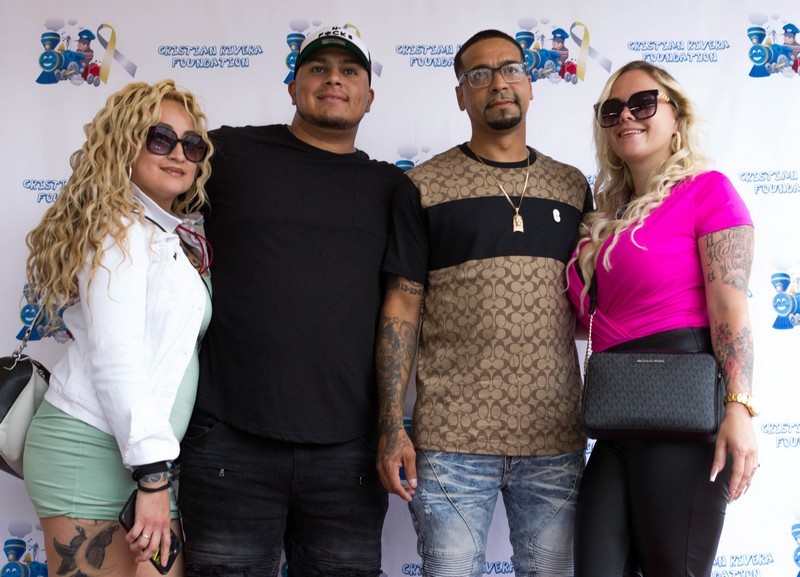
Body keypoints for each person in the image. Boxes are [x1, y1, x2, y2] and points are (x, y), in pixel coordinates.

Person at [176, 24, 417, 577]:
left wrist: (391, 426)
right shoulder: (228, 153)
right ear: (292, 86)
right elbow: (146, 194)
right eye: (318, 68)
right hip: (228, 438)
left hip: (349, 454)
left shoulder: (392, 189)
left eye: (349, 71)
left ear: (369, 97)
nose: (333, 79)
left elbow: (402, 308)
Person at [376, 29, 592, 577]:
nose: (498, 83)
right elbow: (401, 308)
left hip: (554, 436)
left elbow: (594, 302)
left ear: (531, 84)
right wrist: (392, 424)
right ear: (461, 95)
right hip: (452, 442)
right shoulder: (423, 186)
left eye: (511, 69)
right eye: (479, 74)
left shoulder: (571, 187)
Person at [567, 60, 759, 576]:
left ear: (677, 118)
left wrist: (739, 407)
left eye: (643, 103)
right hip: (615, 414)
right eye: (612, 110)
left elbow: (729, 306)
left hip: (682, 415)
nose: (627, 116)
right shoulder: (605, 217)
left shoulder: (708, 191)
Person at [22, 79, 214, 577]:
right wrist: (152, 478)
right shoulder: (119, 230)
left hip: (142, 460)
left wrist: (154, 474)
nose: (179, 153)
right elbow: (116, 359)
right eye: (160, 138)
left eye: (192, 144)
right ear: (125, 144)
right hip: (93, 454)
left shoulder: (160, 234)